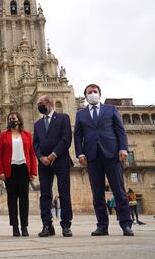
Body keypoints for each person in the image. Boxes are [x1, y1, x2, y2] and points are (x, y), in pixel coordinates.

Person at [74, 84, 134, 236]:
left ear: (99, 94)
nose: (92, 94)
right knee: (97, 193)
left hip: (112, 154)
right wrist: (80, 154)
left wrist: (123, 148)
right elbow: (78, 135)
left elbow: (120, 130)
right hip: (92, 157)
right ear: (86, 96)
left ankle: (126, 224)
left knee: (119, 191)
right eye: (90, 92)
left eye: (95, 92)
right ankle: (102, 226)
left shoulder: (111, 109)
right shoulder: (80, 114)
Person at [33, 95, 73, 237]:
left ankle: (66, 225)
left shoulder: (63, 118)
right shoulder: (37, 124)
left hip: (60, 160)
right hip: (43, 163)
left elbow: (66, 139)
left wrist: (53, 155)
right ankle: (47, 225)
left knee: (64, 192)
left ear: (49, 103)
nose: (39, 106)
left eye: (40, 103)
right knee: (45, 194)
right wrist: (41, 157)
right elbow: (35, 144)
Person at [0, 111, 37, 237]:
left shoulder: (27, 135)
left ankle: (24, 226)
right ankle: (15, 226)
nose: (11, 121)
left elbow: (32, 154)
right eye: (9, 119)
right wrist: (1, 171)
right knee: (12, 199)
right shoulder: (3, 135)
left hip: (24, 169)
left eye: (13, 118)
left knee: (24, 199)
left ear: (19, 120)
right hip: (10, 169)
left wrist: (33, 172)